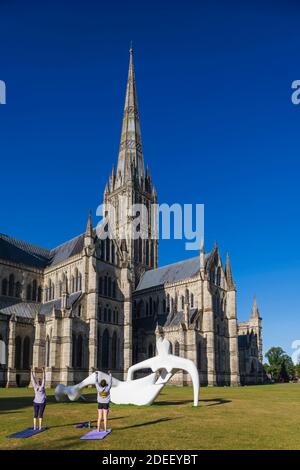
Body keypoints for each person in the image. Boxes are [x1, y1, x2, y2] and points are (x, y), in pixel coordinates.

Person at [31, 366, 46, 430]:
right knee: (40, 414)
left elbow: (32, 379)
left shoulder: (35, 386)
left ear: (38, 382)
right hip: (41, 402)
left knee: (35, 414)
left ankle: (35, 427)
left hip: (36, 402)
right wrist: (43, 371)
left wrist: (31, 371)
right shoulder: (42, 387)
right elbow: (44, 379)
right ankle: (39, 427)